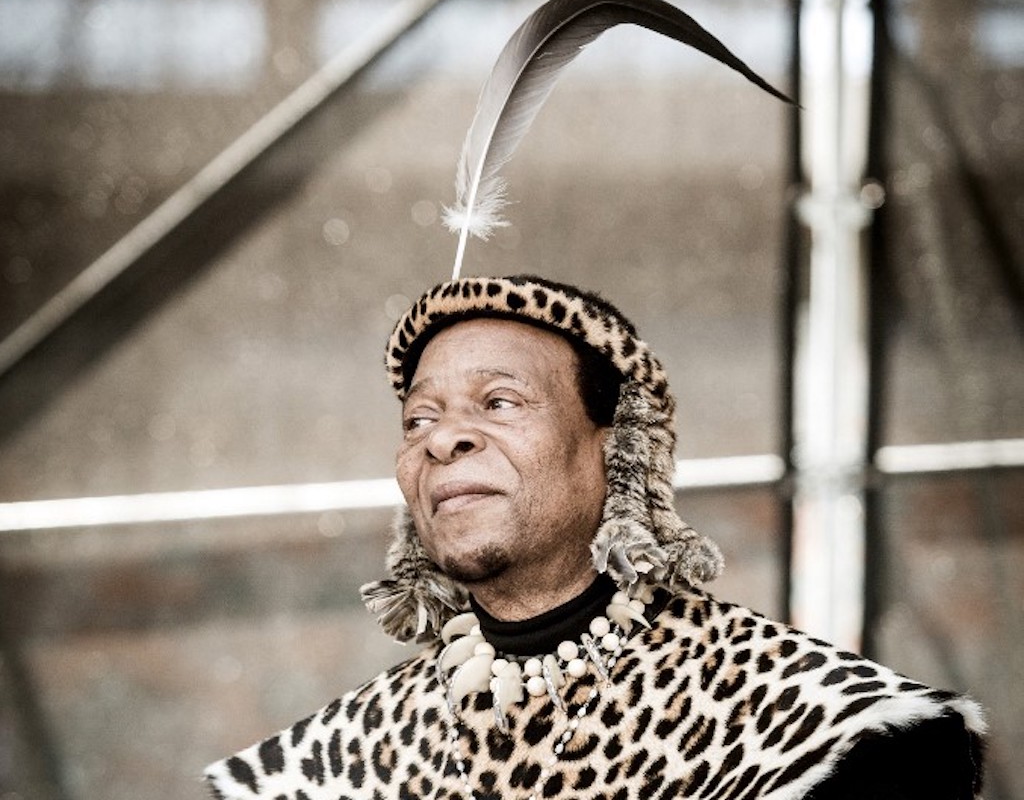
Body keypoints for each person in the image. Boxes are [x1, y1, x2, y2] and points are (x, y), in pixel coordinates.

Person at [205, 275, 985, 800]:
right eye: (419, 418)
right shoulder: (321, 772)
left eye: (499, 402)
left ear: (618, 449)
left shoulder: (824, 736)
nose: (442, 440)